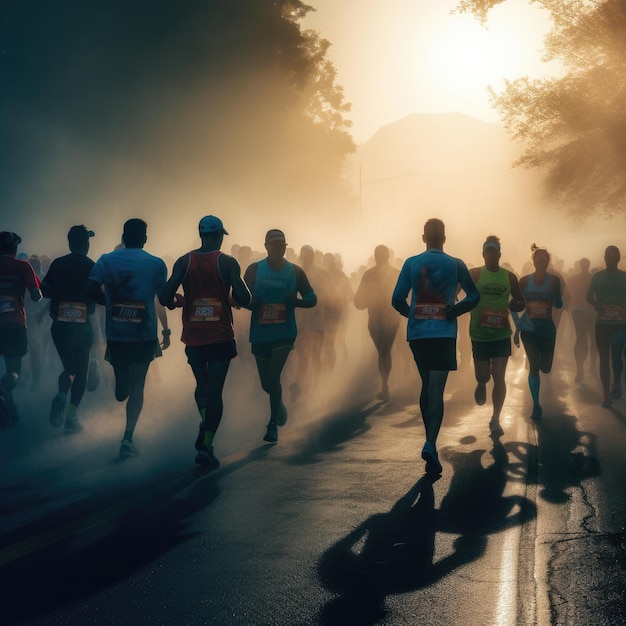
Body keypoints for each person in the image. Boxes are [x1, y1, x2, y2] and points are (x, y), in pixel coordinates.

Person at [159, 215, 251, 468]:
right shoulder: (228, 262)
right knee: (216, 391)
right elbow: (245, 297)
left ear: (201, 235)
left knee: (202, 383)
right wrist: (236, 293)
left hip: (194, 336)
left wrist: (180, 300)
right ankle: (207, 445)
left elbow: (165, 296)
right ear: (220, 235)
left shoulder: (184, 261)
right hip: (220, 335)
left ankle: (203, 418)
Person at [392, 218, 479, 474]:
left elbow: (396, 299)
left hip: (418, 334)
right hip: (443, 332)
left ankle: (429, 440)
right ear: (444, 237)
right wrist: (456, 309)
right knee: (436, 389)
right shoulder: (455, 263)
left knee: (426, 384)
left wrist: (414, 315)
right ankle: (430, 442)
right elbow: (474, 296)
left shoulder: (412, 263)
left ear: (423, 238)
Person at [86, 218, 170, 458]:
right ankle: (128, 438)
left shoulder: (105, 260)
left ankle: (128, 438)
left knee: (122, 390)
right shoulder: (155, 263)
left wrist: (111, 303)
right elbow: (163, 299)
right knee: (137, 387)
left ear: (123, 237)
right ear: (145, 238)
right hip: (144, 334)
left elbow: (90, 290)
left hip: (116, 334)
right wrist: (176, 302)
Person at [244, 229, 317, 443]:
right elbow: (239, 298)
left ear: (285, 248)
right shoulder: (254, 270)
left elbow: (312, 299)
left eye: (281, 246)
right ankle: (279, 404)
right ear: (266, 246)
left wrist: (295, 302)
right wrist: (251, 303)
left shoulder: (295, 271)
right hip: (259, 333)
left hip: (285, 333)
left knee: (274, 376)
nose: (278, 249)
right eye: (274, 245)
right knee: (267, 384)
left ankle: (272, 425)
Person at [41, 225, 98, 432]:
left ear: (69, 243)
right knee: (81, 373)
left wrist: (60, 292)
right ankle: (71, 418)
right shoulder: (92, 265)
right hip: (82, 326)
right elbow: (99, 295)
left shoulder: (58, 263)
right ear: (86, 244)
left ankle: (61, 395)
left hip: (60, 326)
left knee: (69, 369)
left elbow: (44, 290)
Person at [469, 235, 525, 436]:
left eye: (495, 252)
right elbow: (464, 295)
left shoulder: (509, 277)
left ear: (500, 255)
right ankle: (481, 382)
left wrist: (514, 305)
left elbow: (521, 301)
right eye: (488, 252)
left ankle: (495, 419)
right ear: (483, 254)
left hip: (501, 334)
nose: (491, 256)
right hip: (479, 334)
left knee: (499, 376)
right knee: (484, 375)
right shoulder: (474, 275)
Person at [513, 244, 563, 420]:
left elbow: (559, 304)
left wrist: (555, 299)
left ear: (548, 261)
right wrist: (517, 328)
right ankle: (536, 405)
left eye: (544, 259)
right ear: (533, 261)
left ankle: (537, 399)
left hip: (548, 330)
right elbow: (514, 306)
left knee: (546, 368)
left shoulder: (555, 281)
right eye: (538, 258)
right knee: (534, 365)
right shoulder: (524, 282)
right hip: (529, 329)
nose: (541, 261)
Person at [0, 232, 42, 427]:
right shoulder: (23, 266)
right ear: (14, 249)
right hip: (15, 324)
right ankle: (3, 389)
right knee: (14, 370)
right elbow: (36, 295)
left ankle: (9, 410)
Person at [353, 244, 401, 402]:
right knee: (384, 351)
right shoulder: (394, 273)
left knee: (384, 351)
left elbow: (358, 302)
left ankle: (385, 386)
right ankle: (385, 384)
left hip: (382, 319)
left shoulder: (372, 274)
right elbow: (359, 302)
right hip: (382, 319)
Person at [586, 245, 626, 407]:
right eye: (607, 256)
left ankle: (616, 381)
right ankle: (606, 393)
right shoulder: (597, 277)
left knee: (616, 357)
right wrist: (597, 305)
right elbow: (588, 296)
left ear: (618, 259)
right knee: (604, 358)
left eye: (613, 256)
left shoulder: (624, 277)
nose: (610, 259)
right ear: (604, 258)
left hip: (619, 324)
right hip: (602, 324)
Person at [569, 257, 597, 383]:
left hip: (578, 311)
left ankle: (580, 367)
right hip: (590, 311)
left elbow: (569, 295)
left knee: (581, 338)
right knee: (593, 339)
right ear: (588, 265)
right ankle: (592, 364)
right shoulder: (593, 278)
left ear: (581, 265)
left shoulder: (574, 279)